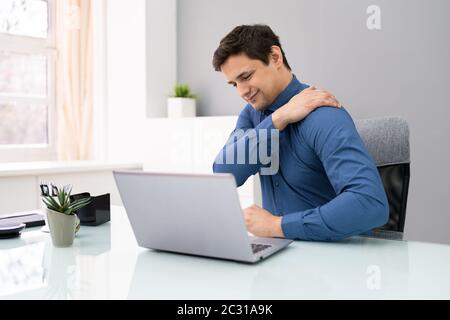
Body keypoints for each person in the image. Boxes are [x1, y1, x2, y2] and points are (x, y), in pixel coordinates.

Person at [212, 24, 389, 241]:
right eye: (234, 84)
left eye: (246, 76)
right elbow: (224, 174)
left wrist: (278, 226)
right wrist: (278, 119)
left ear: (275, 57)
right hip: (282, 257)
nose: (241, 92)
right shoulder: (252, 115)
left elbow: (370, 204)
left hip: (338, 261)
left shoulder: (324, 115)